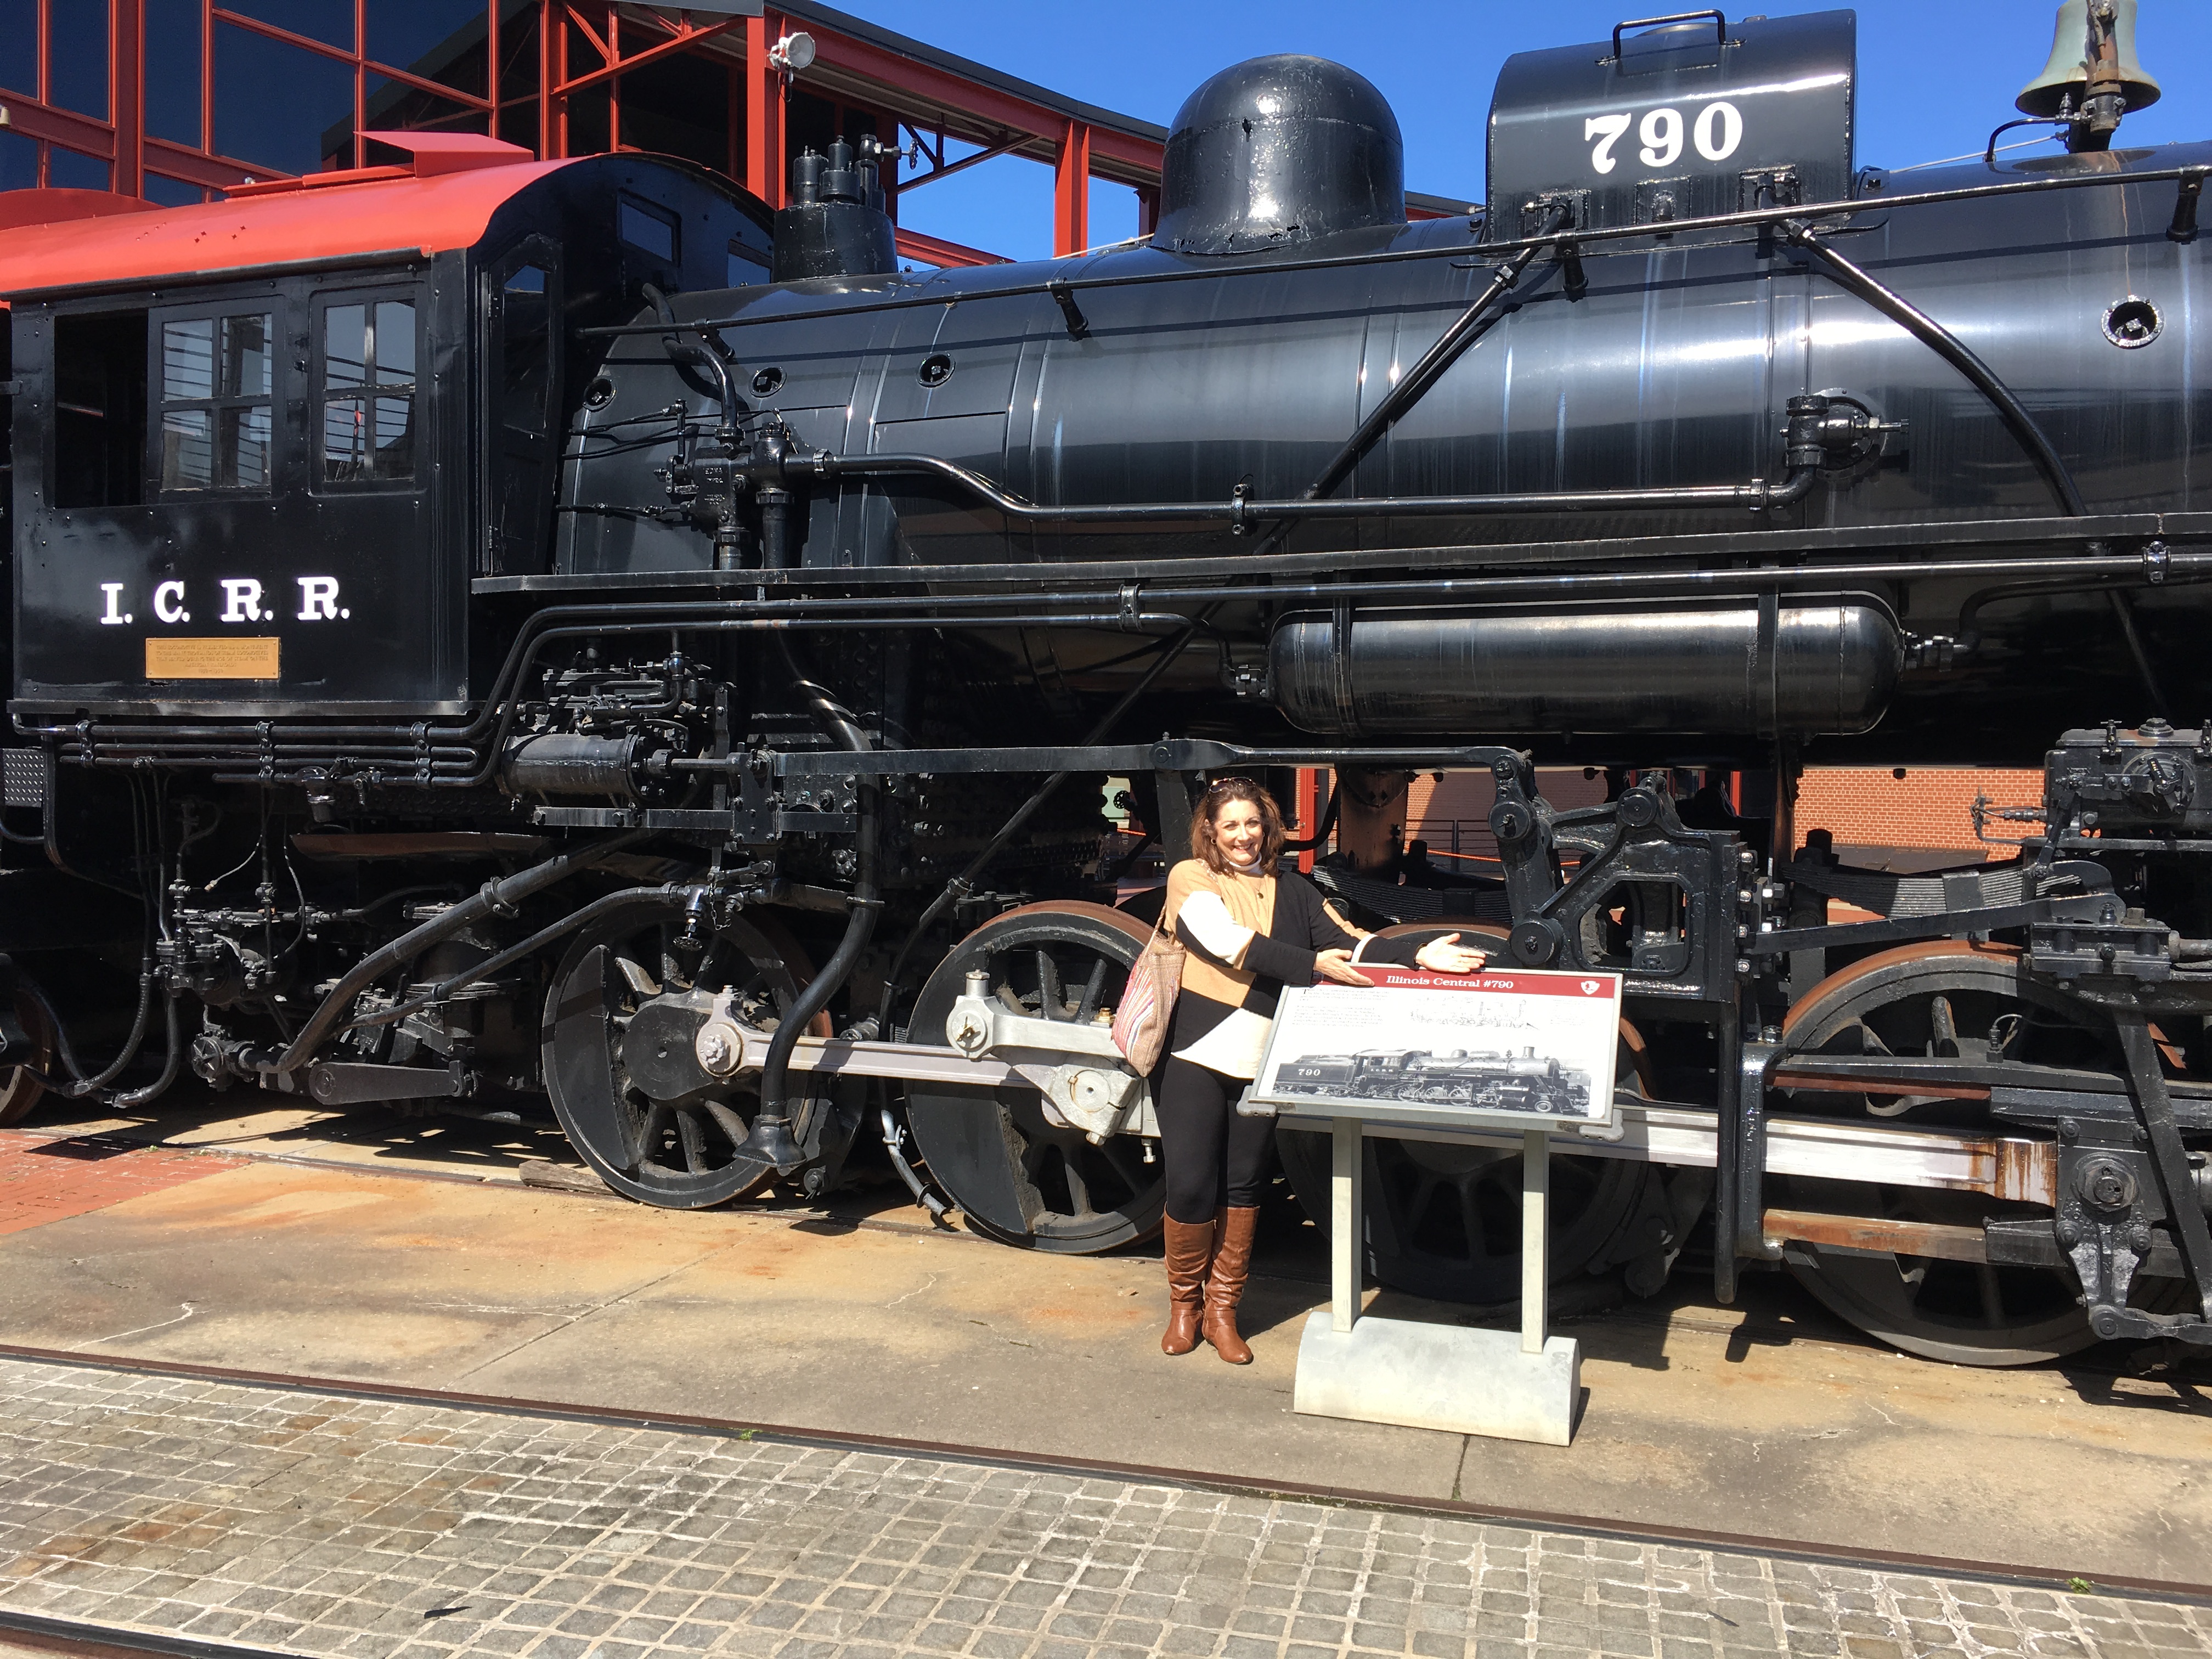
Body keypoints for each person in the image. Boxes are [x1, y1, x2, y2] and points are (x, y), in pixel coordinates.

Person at [1154, 777, 1487, 1363]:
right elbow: (1224, 942)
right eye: (1230, 825)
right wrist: (1312, 964)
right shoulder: (1192, 877)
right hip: (1196, 1055)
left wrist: (1417, 952)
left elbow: (1349, 942)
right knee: (1189, 1185)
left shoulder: (1295, 889)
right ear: (1211, 830)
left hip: (1262, 1061)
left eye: (1252, 823)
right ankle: (1184, 1307)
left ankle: (1222, 1312)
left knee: (1244, 1187)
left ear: (1267, 826)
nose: (1242, 835)